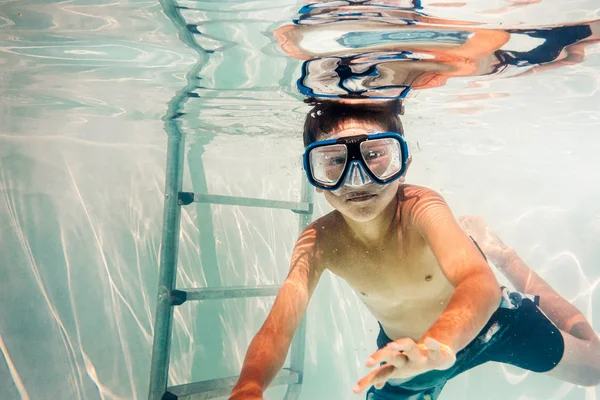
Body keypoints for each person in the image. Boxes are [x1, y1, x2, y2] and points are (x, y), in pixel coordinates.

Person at [229, 99, 600, 400]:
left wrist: (434, 345)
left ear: (403, 164)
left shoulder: (422, 206)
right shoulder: (319, 241)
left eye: (376, 156)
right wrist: (249, 386)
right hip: (405, 357)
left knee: (595, 368)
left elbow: (478, 282)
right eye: (335, 162)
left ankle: (505, 256)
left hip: (491, 325)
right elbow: (280, 326)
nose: (357, 181)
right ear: (316, 176)